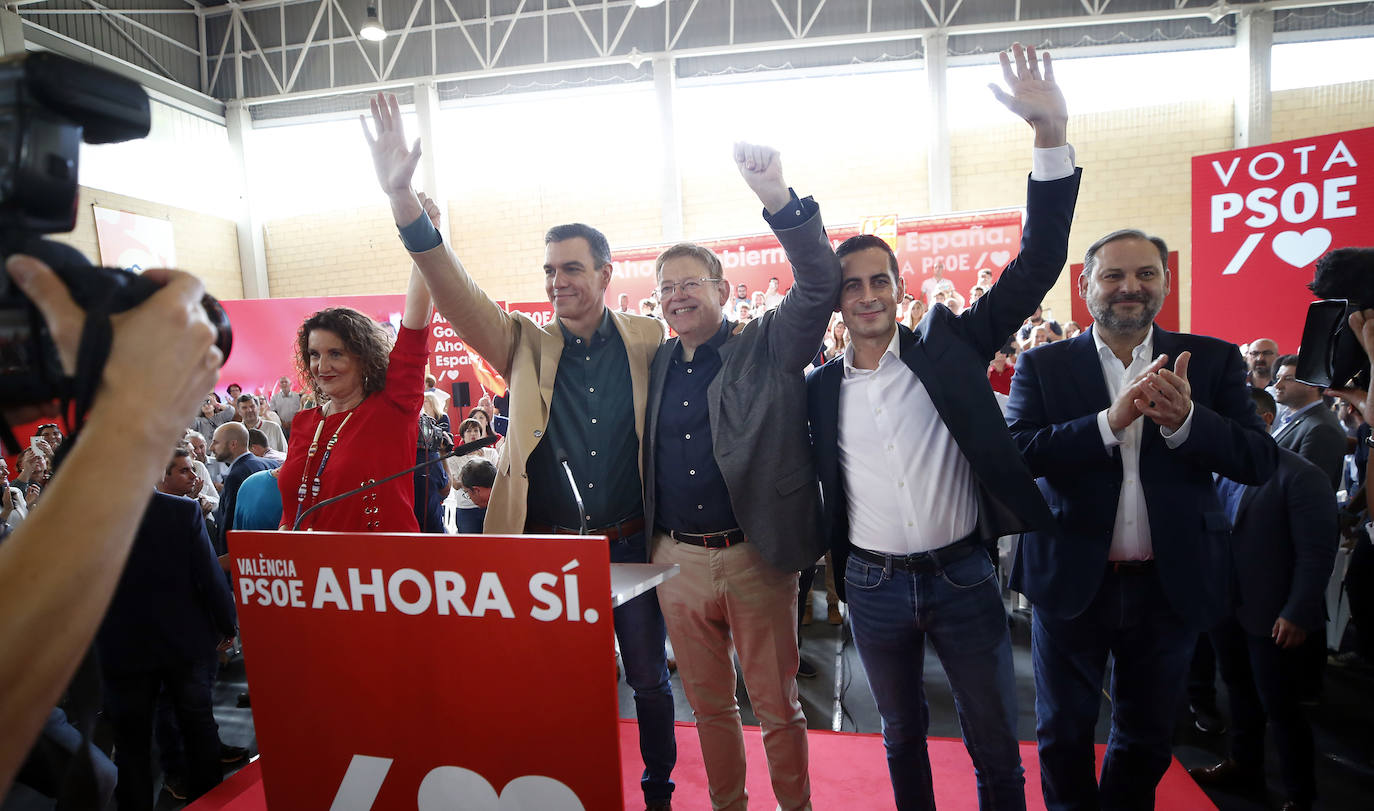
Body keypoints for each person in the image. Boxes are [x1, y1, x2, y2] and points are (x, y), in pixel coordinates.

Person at [366, 91, 676, 809]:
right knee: (561, 687)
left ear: (604, 272)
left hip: (631, 545)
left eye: (572, 268)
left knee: (652, 681)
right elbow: (453, 288)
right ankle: (575, 788)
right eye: (549, 272)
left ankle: (658, 791)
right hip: (546, 554)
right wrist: (401, 197)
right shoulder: (523, 345)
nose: (557, 282)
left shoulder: (650, 342)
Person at [807, 43, 1076, 810]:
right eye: (851, 284)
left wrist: (1048, 136)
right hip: (872, 585)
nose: (866, 294)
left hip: (964, 577)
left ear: (899, 288)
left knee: (995, 744)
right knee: (899, 736)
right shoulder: (818, 390)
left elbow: (1038, 262)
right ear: (837, 301)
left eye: (879, 280)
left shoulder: (951, 348)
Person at [1005, 227, 1277, 811]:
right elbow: (1017, 456)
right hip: (1072, 581)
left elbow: (1258, 460)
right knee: (1062, 734)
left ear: (1165, 282)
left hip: (1170, 585)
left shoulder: (1211, 360)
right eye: (1114, 275)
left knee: (1149, 736)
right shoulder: (1044, 366)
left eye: (1145, 274)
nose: (1129, 287)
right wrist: (1109, 422)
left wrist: (1186, 423)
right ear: (1086, 286)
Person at [645, 142, 839, 811]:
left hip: (757, 555)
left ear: (723, 291)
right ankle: (730, 803)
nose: (676, 295)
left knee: (777, 706)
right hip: (675, 560)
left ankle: (796, 807)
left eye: (690, 282)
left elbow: (819, 283)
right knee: (707, 707)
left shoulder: (770, 344)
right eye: (665, 287)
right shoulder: (656, 364)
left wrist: (778, 198)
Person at [0, 252, 223, 797]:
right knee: (187, 730)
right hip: (168, 648)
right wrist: (132, 416)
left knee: (125, 754)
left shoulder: (78, 514)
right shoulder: (175, 512)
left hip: (118, 654)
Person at [1189, 388, 1336, 811]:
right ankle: (1243, 764)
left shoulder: (1301, 475)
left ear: (1265, 421)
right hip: (1226, 607)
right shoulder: (1218, 470)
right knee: (1237, 692)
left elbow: (1317, 555)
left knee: (1282, 706)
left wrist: (1297, 612)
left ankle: (1299, 793)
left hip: (1274, 614)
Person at [98, 479, 237, 809]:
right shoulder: (181, 510)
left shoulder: (86, 519)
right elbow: (209, 576)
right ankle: (208, 803)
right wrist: (226, 624)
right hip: (184, 643)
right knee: (198, 726)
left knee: (131, 743)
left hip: (121, 647)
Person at [1272, 354, 1345, 491]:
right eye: (1278, 378)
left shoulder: (1321, 429)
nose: (1278, 385)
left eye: (1288, 379)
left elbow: (1307, 489)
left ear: (1312, 384)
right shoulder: (1295, 418)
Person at [210, 422, 273, 552]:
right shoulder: (271, 464)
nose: (211, 447)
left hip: (243, 553)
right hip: (270, 547)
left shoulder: (235, 476)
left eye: (216, 442)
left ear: (233, 444)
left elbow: (229, 523)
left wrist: (224, 559)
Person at [448, 417, 498, 533]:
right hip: (466, 508)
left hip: (489, 506)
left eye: (476, 430)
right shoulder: (454, 457)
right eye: (469, 431)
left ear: (481, 434)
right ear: (462, 436)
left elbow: (494, 479)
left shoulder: (491, 453)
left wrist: (481, 461)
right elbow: (455, 484)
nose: (473, 434)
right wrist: (478, 475)